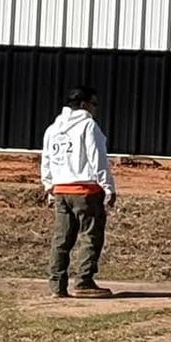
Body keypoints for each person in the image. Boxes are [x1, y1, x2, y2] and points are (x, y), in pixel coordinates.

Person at [39, 86, 118, 298]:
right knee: (90, 236)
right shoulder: (88, 126)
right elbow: (97, 158)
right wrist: (108, 187)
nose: (95, 109)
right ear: (84, 104)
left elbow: (46, 160)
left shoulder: (53, 129)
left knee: (61, 239)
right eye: (94, 104)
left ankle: (57, 284)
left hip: (60, 190)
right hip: (86, 191)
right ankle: (84, 281)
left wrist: (49, 187)